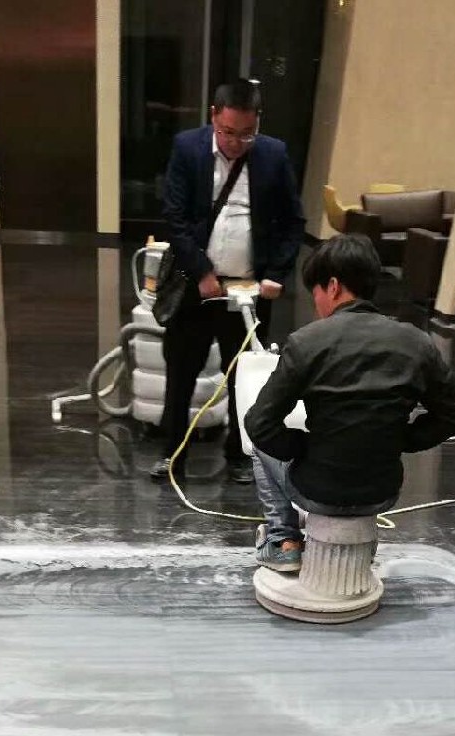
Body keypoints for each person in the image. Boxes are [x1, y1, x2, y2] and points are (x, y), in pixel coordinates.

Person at [244, 234, 455, 571]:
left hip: (317, 489)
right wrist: (400, 440)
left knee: (259, 449)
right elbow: (454, 415)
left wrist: (302, 447)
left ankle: (283, 541)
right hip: (382, 490)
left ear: (333, 286)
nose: (317, 304)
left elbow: (259, 423)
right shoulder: (416, 342)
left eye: (316, 292)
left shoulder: (307, 342)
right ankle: (356, 543)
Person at [151, 79, 305, 485]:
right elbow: (175, 217)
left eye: (246, 134)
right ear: (213, 117)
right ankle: (172, 453)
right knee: (181, 371)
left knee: (244, 376)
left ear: (258, 122)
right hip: (195, 287)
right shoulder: (188, 148)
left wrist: (275, 275)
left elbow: (293, 222)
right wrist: (202, 273)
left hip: (249, 292)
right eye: (228, 132)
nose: (236, 143)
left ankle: (238, 454)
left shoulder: (274, 155)